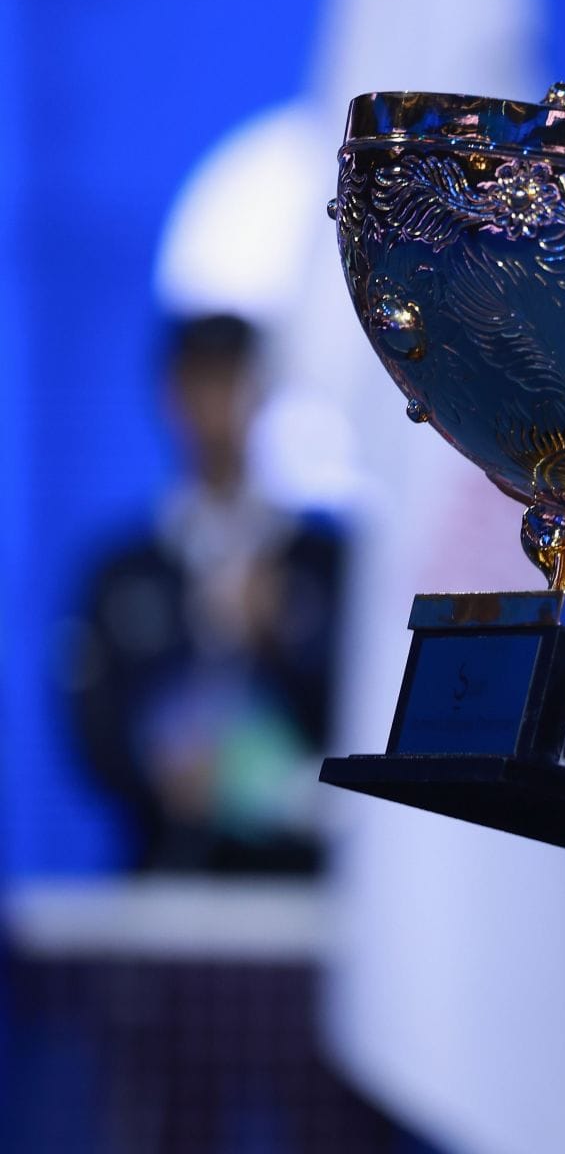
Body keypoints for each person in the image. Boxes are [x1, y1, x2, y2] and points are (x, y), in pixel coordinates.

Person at [67, 313, 345, 873]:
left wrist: (282, 631)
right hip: (163, 867)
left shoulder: (325, 561)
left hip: (297, 874)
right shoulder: (121, 572)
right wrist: (156, 771)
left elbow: (368, 711)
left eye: (234, 380)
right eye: (201, 382)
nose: (218, 405)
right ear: (170, 396)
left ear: (264, 394)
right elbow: (93, 724)